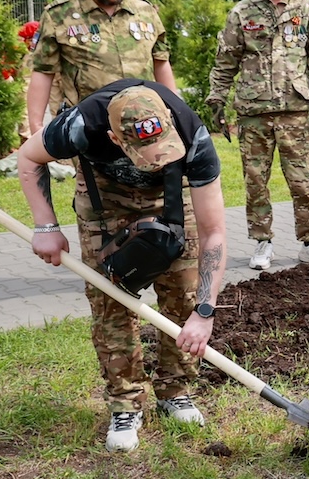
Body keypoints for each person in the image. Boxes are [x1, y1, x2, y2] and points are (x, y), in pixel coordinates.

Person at [17, 79, 226, 452]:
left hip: (171, 199)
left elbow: (214, 233)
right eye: (147, 154)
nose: (156, 161)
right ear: (115, 139)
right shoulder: (80, 124)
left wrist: (205, 312)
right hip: (105, 202)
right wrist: (45, 226)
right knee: (110, 300)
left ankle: (174, 390)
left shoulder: (192, 133)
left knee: (184, 293)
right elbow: (29, 158)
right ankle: (125, 402)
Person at [208, 0, 309, 271]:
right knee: (256, 181)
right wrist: (217, 100)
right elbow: (226, 61)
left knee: (305, 181)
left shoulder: (307, 10)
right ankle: (262, 242)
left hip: (295, 109)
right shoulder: (242, 12)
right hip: (254, 112)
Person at [28, 0, 174, 134]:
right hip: (88, 126)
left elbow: (161, 63)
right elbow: (43, 71)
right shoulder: (59, 15)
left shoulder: (145, 11)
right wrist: (36, 128)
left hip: (142, 125)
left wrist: (176, 111)